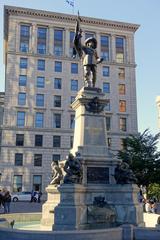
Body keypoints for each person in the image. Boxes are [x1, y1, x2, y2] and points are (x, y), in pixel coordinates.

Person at [73, 15, 103, 88]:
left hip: (93, 62)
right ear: (88, 43)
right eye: (90, 42)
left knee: (94, 74)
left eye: (92, 42)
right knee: (87, 72)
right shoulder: (85, 48)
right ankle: (88, 84)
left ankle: (93, 85)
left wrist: (100, 60)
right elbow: (78, 44)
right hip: (86, 61)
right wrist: (79, 35)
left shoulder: (95, 51)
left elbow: (97, 58)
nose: (91, 43)